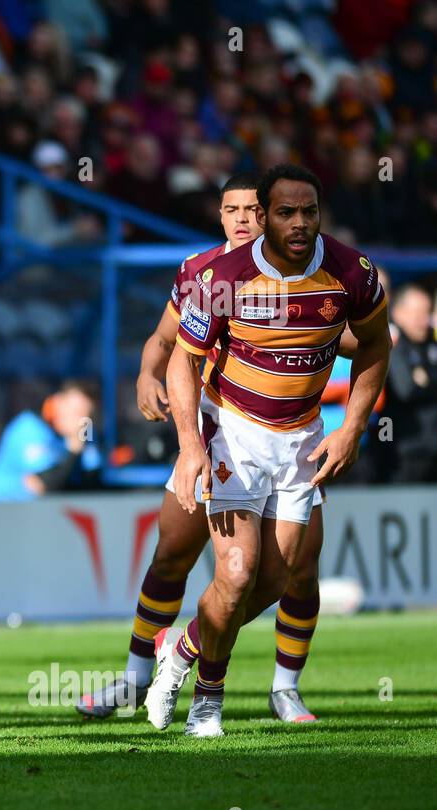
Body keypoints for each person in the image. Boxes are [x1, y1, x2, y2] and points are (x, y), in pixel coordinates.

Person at [78, 172, 354, 723]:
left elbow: (342, 333)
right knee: (174, 552)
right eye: (233, 210)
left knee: (297, 570)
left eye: (254, 209)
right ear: (221, 216)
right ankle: (137, 676)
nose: (243, 219)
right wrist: (144, 373)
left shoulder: (301, 275)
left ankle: (285, 688)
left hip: (289, 433)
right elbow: (164, 342)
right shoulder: (204, 273)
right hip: (214, 430)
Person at [145, 164, 391, 737]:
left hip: (303, 438)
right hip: (232, 431)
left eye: (309, 211)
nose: (299, 223)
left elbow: (375, 344)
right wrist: (189, 445)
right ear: (264, 216)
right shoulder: (223, 276)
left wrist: (352, 425)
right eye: (285, 212)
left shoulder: (352, 272)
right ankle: (206, 702)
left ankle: (179, 649)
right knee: (235, 571)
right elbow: (181, 360)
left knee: (275, 583)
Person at [0, 382, 99, 502]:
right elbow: (42, 485)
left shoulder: (77, 439)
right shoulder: (28, 427)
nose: (79, 422)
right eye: (75, 411)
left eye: (85, 416)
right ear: (57, 402)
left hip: (36, 515)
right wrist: (74, 450)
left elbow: (90, 483)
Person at [386, 283, 437, 482]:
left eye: (427, 313)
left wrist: (427, 381)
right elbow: (405, 389)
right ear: (398, 313)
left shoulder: (430, 343)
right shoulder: (393, 344)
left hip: (431, 450)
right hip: (405, 452)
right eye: (418, 314)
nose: (424, 321)